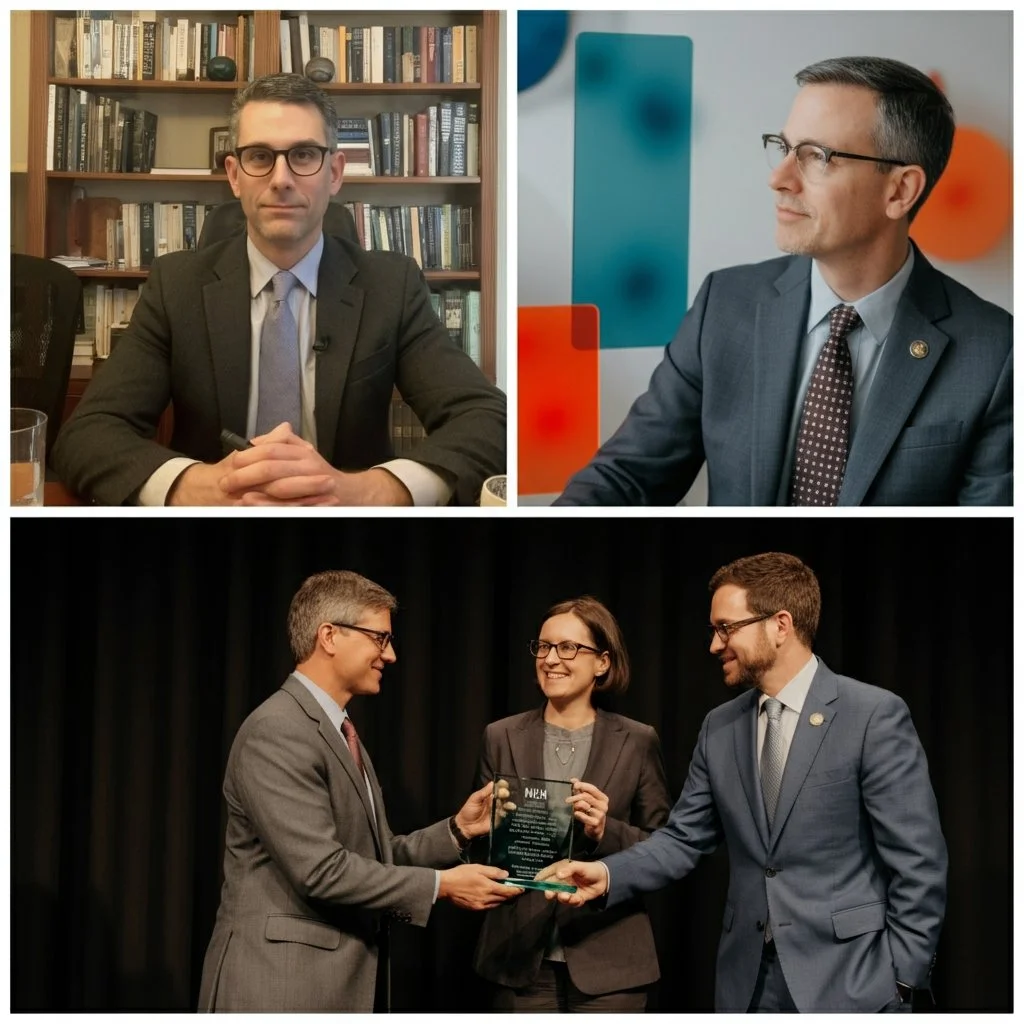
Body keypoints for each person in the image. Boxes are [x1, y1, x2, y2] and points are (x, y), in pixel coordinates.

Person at [555, 57, 1011, 507]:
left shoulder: (994, 355)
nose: (779, 178)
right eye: (783, 147)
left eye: (817, 156)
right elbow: (627, 477)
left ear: (900, 191)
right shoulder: (725, 305)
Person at [52, 74, 505, 506]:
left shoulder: (391, 285)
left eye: (304, 155)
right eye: (259, 156)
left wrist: (370, 491)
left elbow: (490, 422)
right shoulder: (177, 285)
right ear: (234, 175)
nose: (282, 179)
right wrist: (195, 486)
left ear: (335, 173)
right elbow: (89, 433)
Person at [543, 553, 947, 1012]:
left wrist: (903, 979)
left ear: (780, 624)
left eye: (726, 628)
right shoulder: (720, 727)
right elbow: (682, 839)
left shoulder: (872, 715)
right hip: (748, 983)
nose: (715, 645)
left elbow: (919, 861)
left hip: (853, 982)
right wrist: (607, 874)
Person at [198, 570, 520, 1012]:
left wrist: (458, 831)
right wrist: (440, 886)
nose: (390, 655)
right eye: (379, 638)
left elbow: (371, 858)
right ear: (329, 636)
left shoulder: (340, 731)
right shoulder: (278, 730)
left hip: (331, 988)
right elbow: (321, 870)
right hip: (281, 988)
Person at [472, 596, 671, 1011]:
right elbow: (478, 848)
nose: (550, 659)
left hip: (611, 961)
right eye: (543, 647)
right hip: (520, 958)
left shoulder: (637, 740)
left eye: (568, 648)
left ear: (602, 662)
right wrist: (490, 829)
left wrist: (605, 831)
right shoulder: (500, 735)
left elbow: (665, 849)